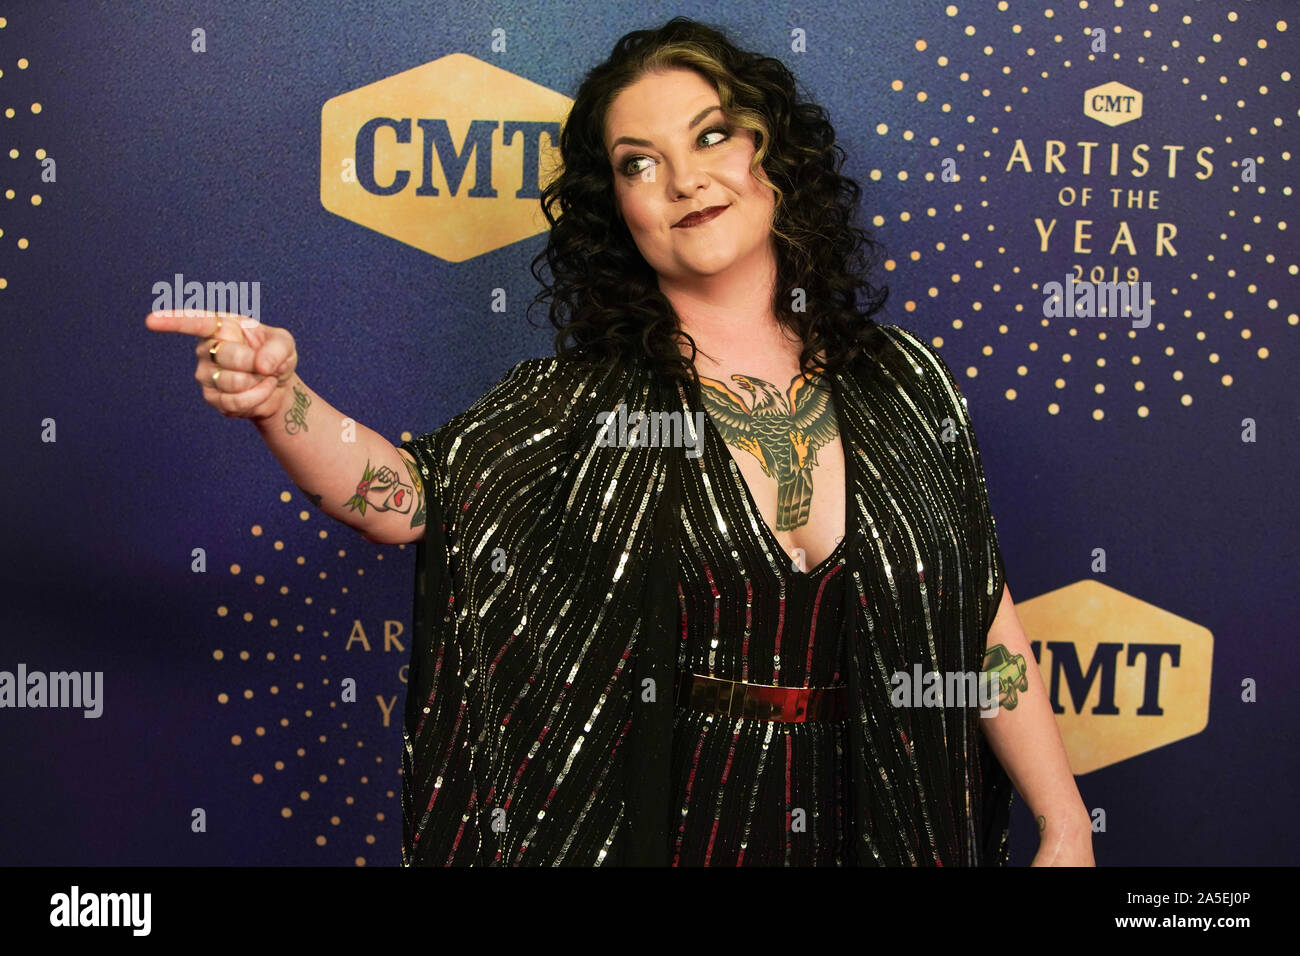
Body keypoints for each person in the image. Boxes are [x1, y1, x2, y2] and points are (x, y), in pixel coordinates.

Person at [146, 17, 1093, 867]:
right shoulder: (584, 402)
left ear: (774, 152)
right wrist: (284, 401)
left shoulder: (903, 383)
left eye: (711, 134)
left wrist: (1063, 825)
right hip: (674, 820)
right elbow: (410, 501)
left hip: (880, 814)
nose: (683, 179)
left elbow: (975, 614)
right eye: (639, 162)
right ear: (617, 210)